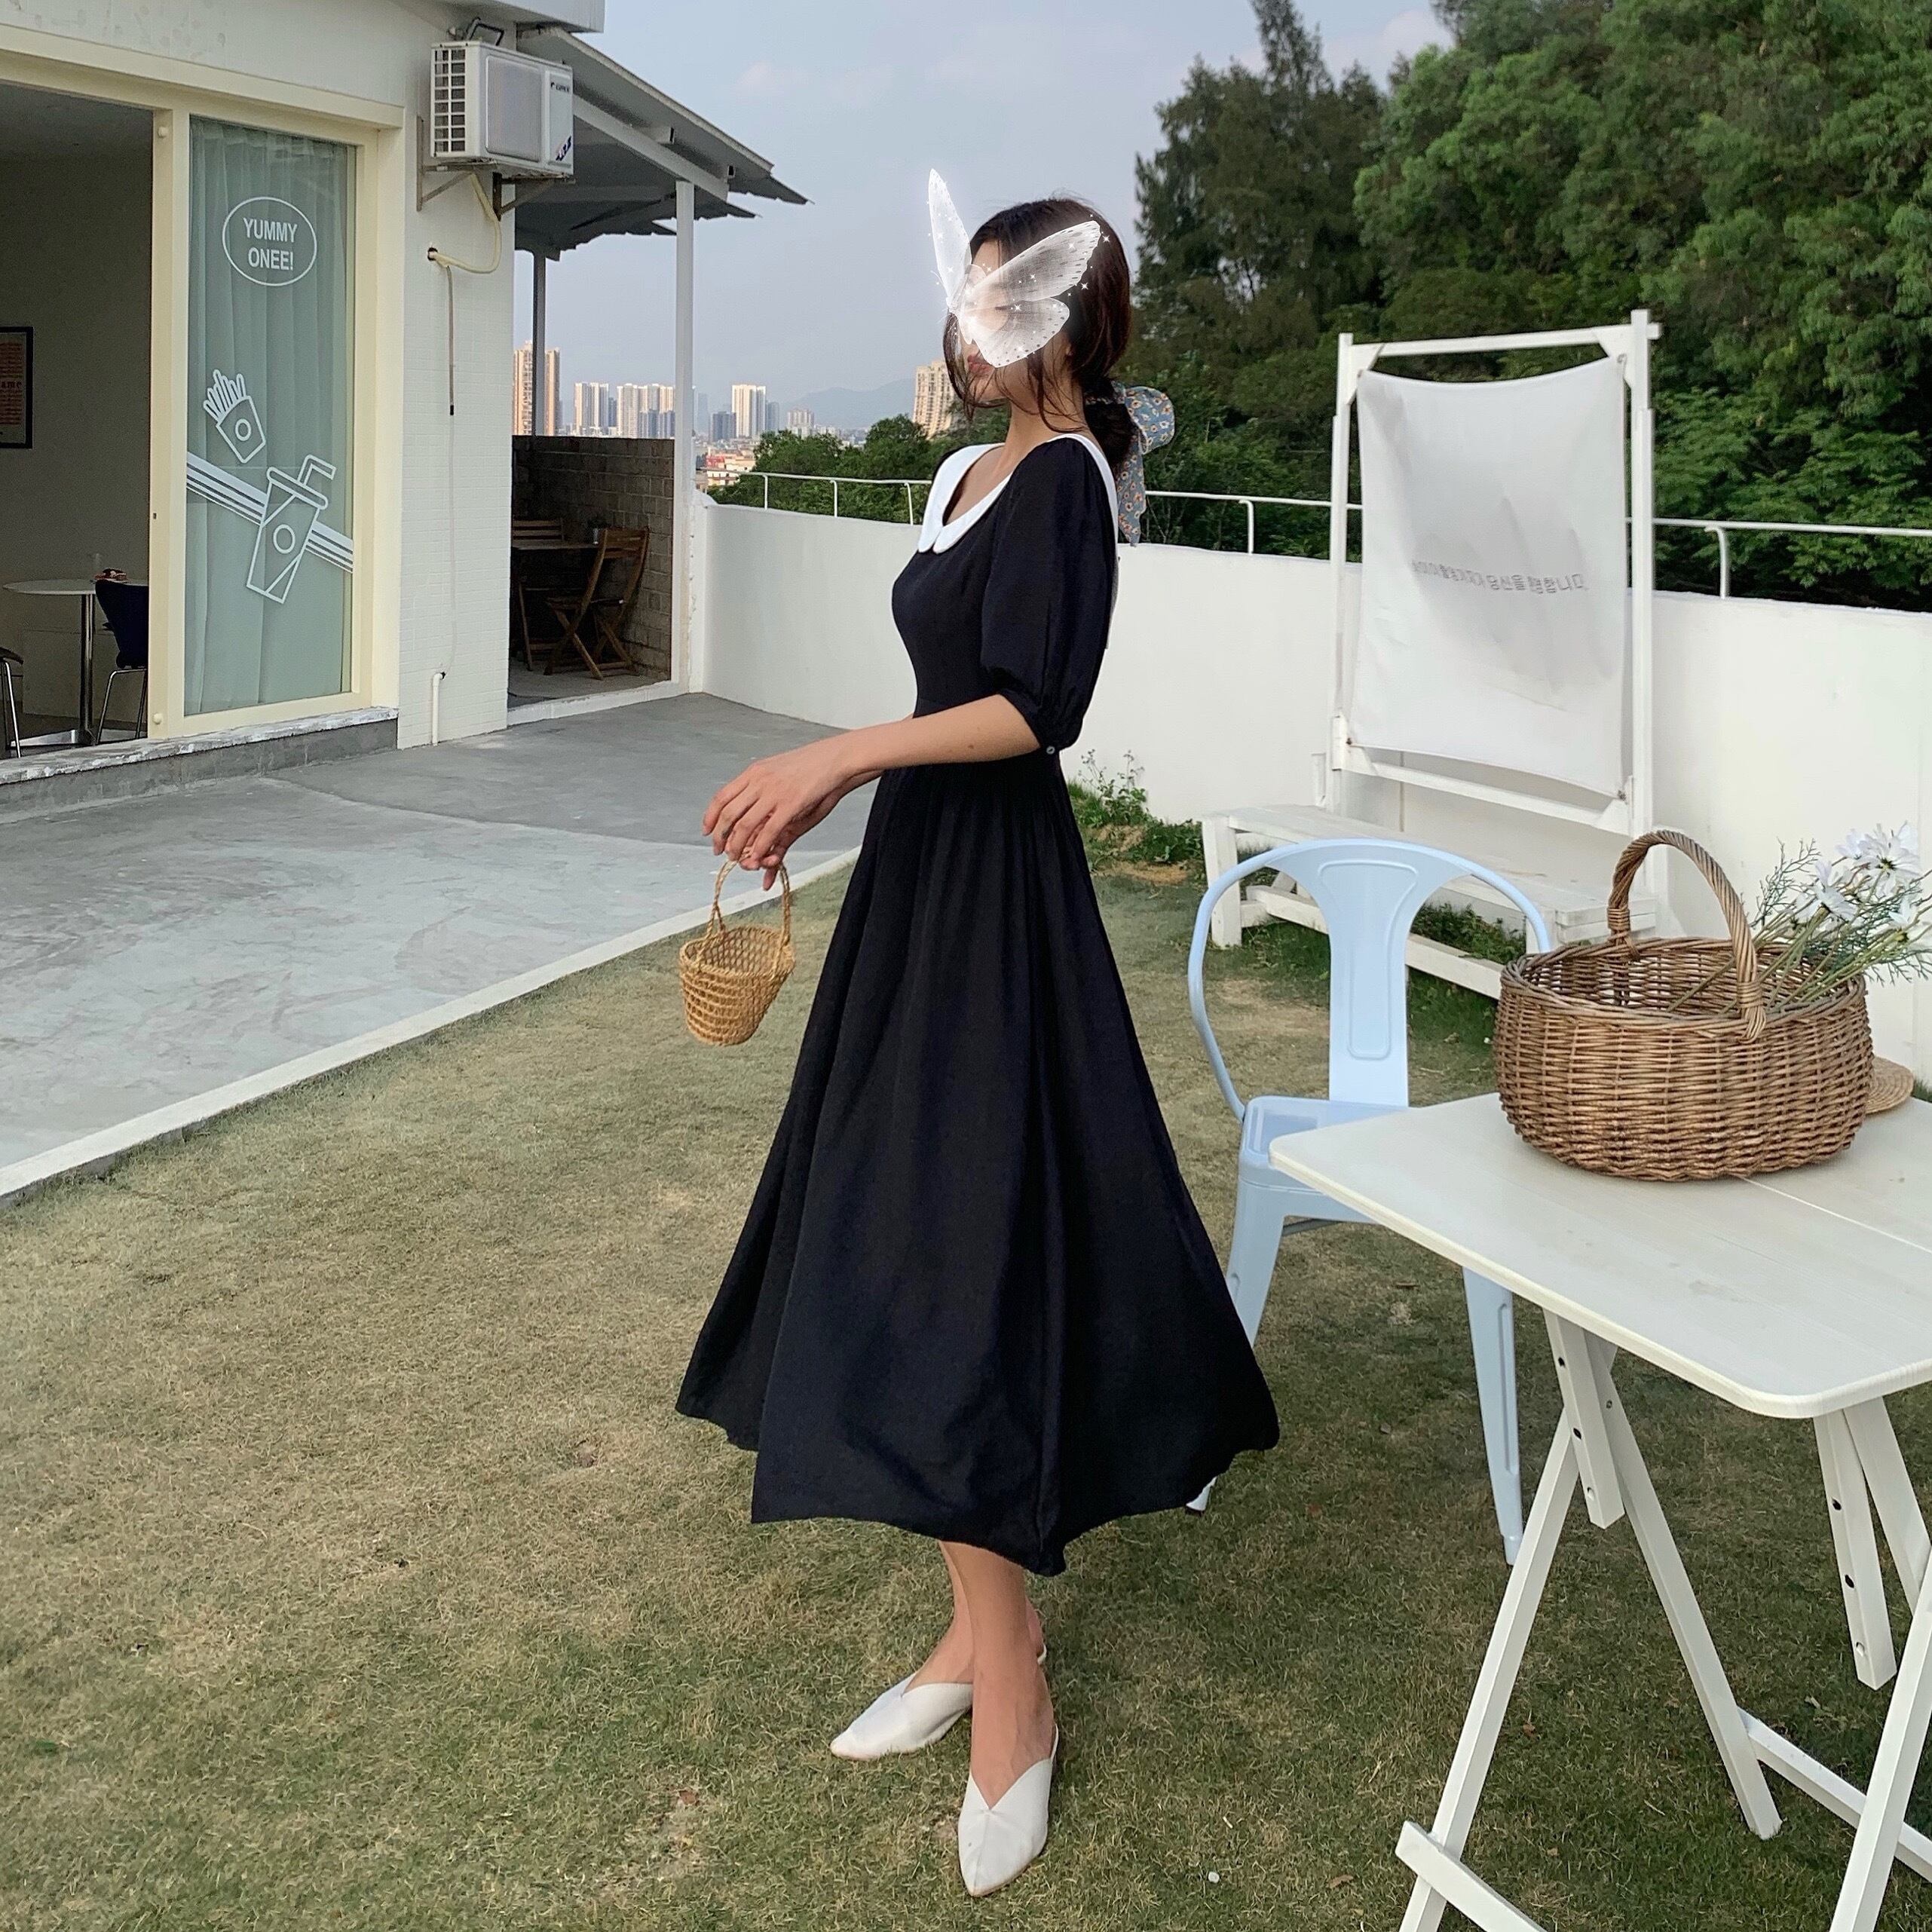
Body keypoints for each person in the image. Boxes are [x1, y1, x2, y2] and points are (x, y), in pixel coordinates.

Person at [676, 181, 1278, 1898]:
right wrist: (843, 785)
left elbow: (1034, 709)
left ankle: (1011, 1680)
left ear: (1063, 320)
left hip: (998, 905)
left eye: (996, 301)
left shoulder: (1071, 481)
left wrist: (838, 754)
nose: (965, 325)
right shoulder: (966, 476)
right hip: (917, 888)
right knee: (893, 1237)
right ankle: (974, 1633)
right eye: (964, 296)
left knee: (958, 1257)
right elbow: (953, 699)